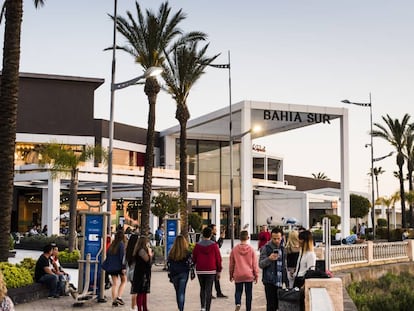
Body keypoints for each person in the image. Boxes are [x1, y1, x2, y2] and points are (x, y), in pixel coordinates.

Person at [192, 226, 222, 311]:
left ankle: (202, 307)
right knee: (209, 289)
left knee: (202, 288)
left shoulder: (197, 245)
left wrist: (193, 266)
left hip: (200, 270)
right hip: (211, 270)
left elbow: (194, 258)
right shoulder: (214, 245)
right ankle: (207, 308)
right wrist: (219, 270)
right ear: (210, 234)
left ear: (202, 234)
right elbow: (218, 259)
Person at [259, 227, 288, 311]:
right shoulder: (266, 248)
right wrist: (269, 259)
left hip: (280, 282)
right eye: (274, 238)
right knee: (271, 306)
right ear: (271, 237)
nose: (276, 240)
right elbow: (260, 264)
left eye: (278, 238)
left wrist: (286, 280)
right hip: (270, 281)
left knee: (280, 305)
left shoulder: (283, 248)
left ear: (282, 237)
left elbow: (284, 265)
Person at [229, 230, 258, 311]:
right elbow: (254, 264)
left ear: (239, 238)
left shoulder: (234, 249)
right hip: (249, 274)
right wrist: (256, 275)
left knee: (238, 291)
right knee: (249, 293)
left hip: (238, 274)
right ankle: (248, 309)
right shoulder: (252, 250)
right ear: (248, 238)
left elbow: (231, 264)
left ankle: (238, 303)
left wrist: (231, 275)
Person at [167, 235, 192, 311]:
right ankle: (181, 309)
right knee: (181, 292)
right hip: (184, 273)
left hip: (174, 274)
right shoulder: (187, 252)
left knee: (177, 292)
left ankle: (180, 307)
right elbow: (190, 262)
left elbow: (169, 263)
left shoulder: (171, 252)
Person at [105, 230, 127, 307]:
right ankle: (119, 297)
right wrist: (124, 267)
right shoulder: (121, 245)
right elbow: (122, 257)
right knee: (124, 281)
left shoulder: (112, 245)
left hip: (112, 267)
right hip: (119, 267)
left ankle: (114, 300)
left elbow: (107, 255)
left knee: (115, 284)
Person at [132, 236, 153, 311]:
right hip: (142, 274)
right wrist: (150, 254)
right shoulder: (141, 251)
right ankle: (140, 308)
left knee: (143, 292)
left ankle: (144, 307)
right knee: (141, 292)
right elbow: (148, 262)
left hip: (141, 273)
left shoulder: (139, 250)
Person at [208, 224, 227, 299]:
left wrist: (221, 238)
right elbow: (217, 246)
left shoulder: (212, 237)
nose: (216, 230)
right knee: (213, 278)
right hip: (213, 260)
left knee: (215, 278)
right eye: (215, 229)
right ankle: (214, 293)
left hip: (213, 260)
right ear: (211, 230)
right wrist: (221, 238)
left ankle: (218, 292)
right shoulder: (211, 238)